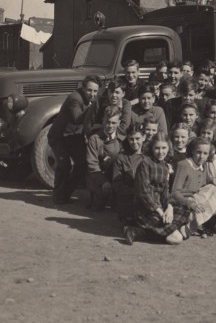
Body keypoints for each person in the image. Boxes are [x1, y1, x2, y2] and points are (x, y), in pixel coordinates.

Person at [124, 132, 191, 245]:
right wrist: (160, 211)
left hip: (161, 205)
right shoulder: (145, 164)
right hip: (146, 208)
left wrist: (169, 208)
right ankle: (136, 231)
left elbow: (165, 191)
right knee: (176, 238)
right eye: (157, 148)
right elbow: (143, 192)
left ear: (168, 147)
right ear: (151, 148)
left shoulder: (165, 166)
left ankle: (142, 232)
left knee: (184, 211)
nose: (161, 152)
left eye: (164, 148)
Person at [49, 75, 101, 205]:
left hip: (73, 136)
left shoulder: (92, 98)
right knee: (64, 165)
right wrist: (93, 107)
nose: (92, 94)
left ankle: (65, 194)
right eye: (89, 90)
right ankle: (58, 196)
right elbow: (77, 119)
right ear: (83, 88)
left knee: (83, 164)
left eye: (95, 91)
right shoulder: (75, 98)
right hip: (59, 137)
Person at [171, 137, 216, 236]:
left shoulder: (204, 166)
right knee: (210, 205)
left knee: (214, 190)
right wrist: (189, 203)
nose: (201, 156)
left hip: (197, 199)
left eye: (205, 153)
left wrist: (212, 180)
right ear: (192, 151)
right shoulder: (184, 165)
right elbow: (174, 192)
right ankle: (192, 226)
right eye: (198, 152)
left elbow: (202, 185)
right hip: (184, 201)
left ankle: (195, 223)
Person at [86, 106, 122, 211]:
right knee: (97, 207)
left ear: (119, 123)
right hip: (98, 176)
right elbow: (92, 164)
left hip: (116, 176)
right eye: (107, 122)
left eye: (114, 123)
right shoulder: (94, 139)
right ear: (103, 120)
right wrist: (103, 181)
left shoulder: (122, 139)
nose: (110, 126)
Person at [112, 123, 146, 226]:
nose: (134, 142)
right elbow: (117, 184)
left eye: (137, 138)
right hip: (128, 199)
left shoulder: (149, 156)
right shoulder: (121, 158)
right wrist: (135, 191)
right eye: (131, 139)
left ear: (144, 137)